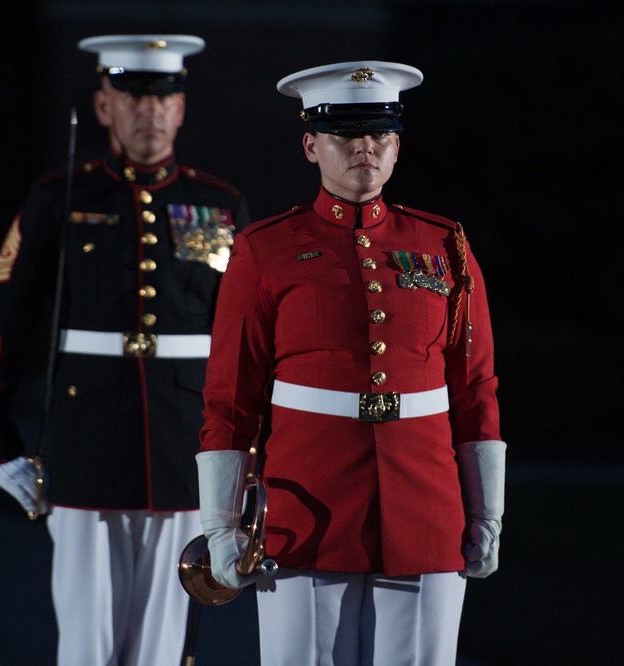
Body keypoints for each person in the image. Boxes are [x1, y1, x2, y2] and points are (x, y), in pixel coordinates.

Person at [197, 61, 506, 665]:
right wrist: (219, 523)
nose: (366, 146)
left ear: (397, 146)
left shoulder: (445, 245)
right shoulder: (265, 250)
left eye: (381, 133)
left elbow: (475, 389)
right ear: (311, 145)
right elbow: (230, 398)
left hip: (425, 503)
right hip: (304, 507)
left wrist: (487, 512)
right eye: (346, 133)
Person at [0, 34, 250, 665]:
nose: (149, 111)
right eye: (132, 98)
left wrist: (249, 450)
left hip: (186, 446)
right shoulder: (62, 197)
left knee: (164, 639)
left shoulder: (218, 205)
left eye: (163, 98)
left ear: (181, 109)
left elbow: (246, 338)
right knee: (87, 641)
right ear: (103, 107)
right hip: (84, 441)